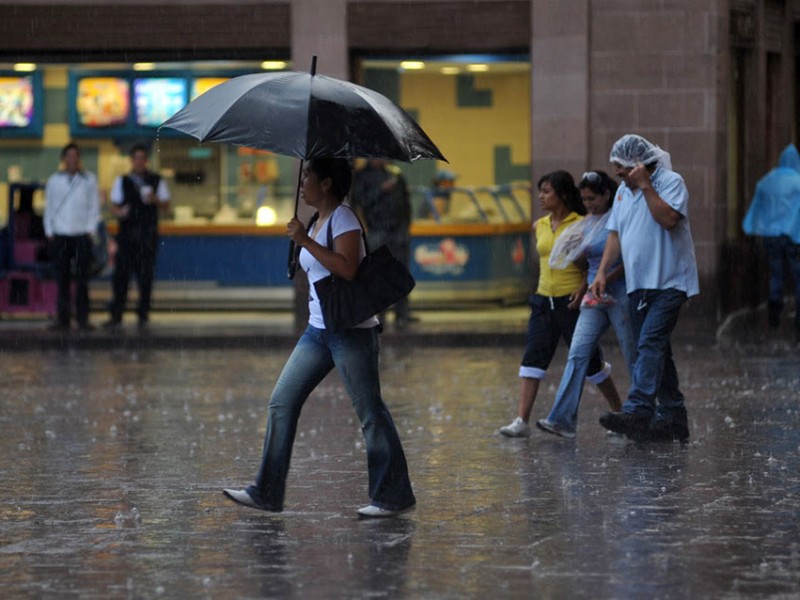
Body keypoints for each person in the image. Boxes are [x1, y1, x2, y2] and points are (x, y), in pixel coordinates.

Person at [223, 158, 416, 518]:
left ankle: (393, 496)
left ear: (326, 183)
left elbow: (347, 267)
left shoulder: (343, 218)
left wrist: (305, 241)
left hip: (350, 331)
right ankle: (266, 491)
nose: (303, 182)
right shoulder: (316, 219)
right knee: (282, 401)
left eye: (308, 175)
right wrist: (303, 239)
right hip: (318, 330)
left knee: (370, 412)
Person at [591, 134, 699, 443]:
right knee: (658, 350)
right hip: (639, 284)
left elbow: (668, 220)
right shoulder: (623, 194)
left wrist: (646, 186)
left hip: (670, 281)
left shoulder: (670, 182)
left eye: (622, 169)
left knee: (649, 343)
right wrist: (602, 272)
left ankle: (639, 409)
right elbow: (615, 235)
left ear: (638, 165)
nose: (619, 176)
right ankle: (674, 416)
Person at [499, 170, 621, 438]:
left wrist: (581, 289)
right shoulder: (538, 225)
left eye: (546, 191)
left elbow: (585, 264)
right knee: (533, 357)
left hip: (572, 301)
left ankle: (619, 409)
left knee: (590, 362)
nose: (541, 197)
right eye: (540, 191)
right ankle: (521, 419)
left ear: (563, 194)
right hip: (544, 299)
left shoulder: (582, 223)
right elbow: (543, 262)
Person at [536, 171, 637, 439]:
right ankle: (562, 419)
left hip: (620, 292)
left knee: (632, 352)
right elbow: (583, 264)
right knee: (578, 352)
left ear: (607, 195)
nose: (589, 204)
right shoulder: (587, 223)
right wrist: (575, 253)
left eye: (593, 198)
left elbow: (629, 260)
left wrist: (605, 277)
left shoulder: (620, 219)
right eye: (584, 199)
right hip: (594, 295)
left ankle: (641, 412)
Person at [104, 144, 170, 328]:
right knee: (121, 277)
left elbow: (166, 206)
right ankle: (117, 314)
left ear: (146, 160)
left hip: (148, 237)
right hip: (126, 237)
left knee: (145, 277)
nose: (139, 162)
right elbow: (114, 207)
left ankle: (143, 314)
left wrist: (154, 199)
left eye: (142, 158)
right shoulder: (122, 181)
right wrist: (120, 212)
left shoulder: (157, 180)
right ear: (131, 161)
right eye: (136, 158)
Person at [742, 143, 800, 342]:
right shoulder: (797, 182)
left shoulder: (767, 181)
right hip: (792, 236)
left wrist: (752, 225)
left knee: (776, 273)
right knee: (797, 273)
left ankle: (774, 309)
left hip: (771, 237)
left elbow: (758, 204)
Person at [351, 159, 416, 328]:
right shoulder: (362, 176)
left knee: (401, 271)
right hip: (378, 228)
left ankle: (402, 312)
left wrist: (406, 225)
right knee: (379, 273)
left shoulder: (394, 173)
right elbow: (360, 201)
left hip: (398, 229)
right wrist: (381, 190)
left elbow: (406, 201)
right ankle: (381, 313)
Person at [43, 142, 101, 332]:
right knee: (62, 279)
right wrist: (49, 232)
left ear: (79, 159)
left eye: (75, 156)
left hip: (82, 236)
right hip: (60, 236)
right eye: (68, 156)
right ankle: (63, 319)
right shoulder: (54, 181)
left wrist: (91, 229)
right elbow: (49, 208)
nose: (72, 160)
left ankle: (83, 319)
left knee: (83, 279)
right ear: (63, 159)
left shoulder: (89, 180)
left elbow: (94, 207)